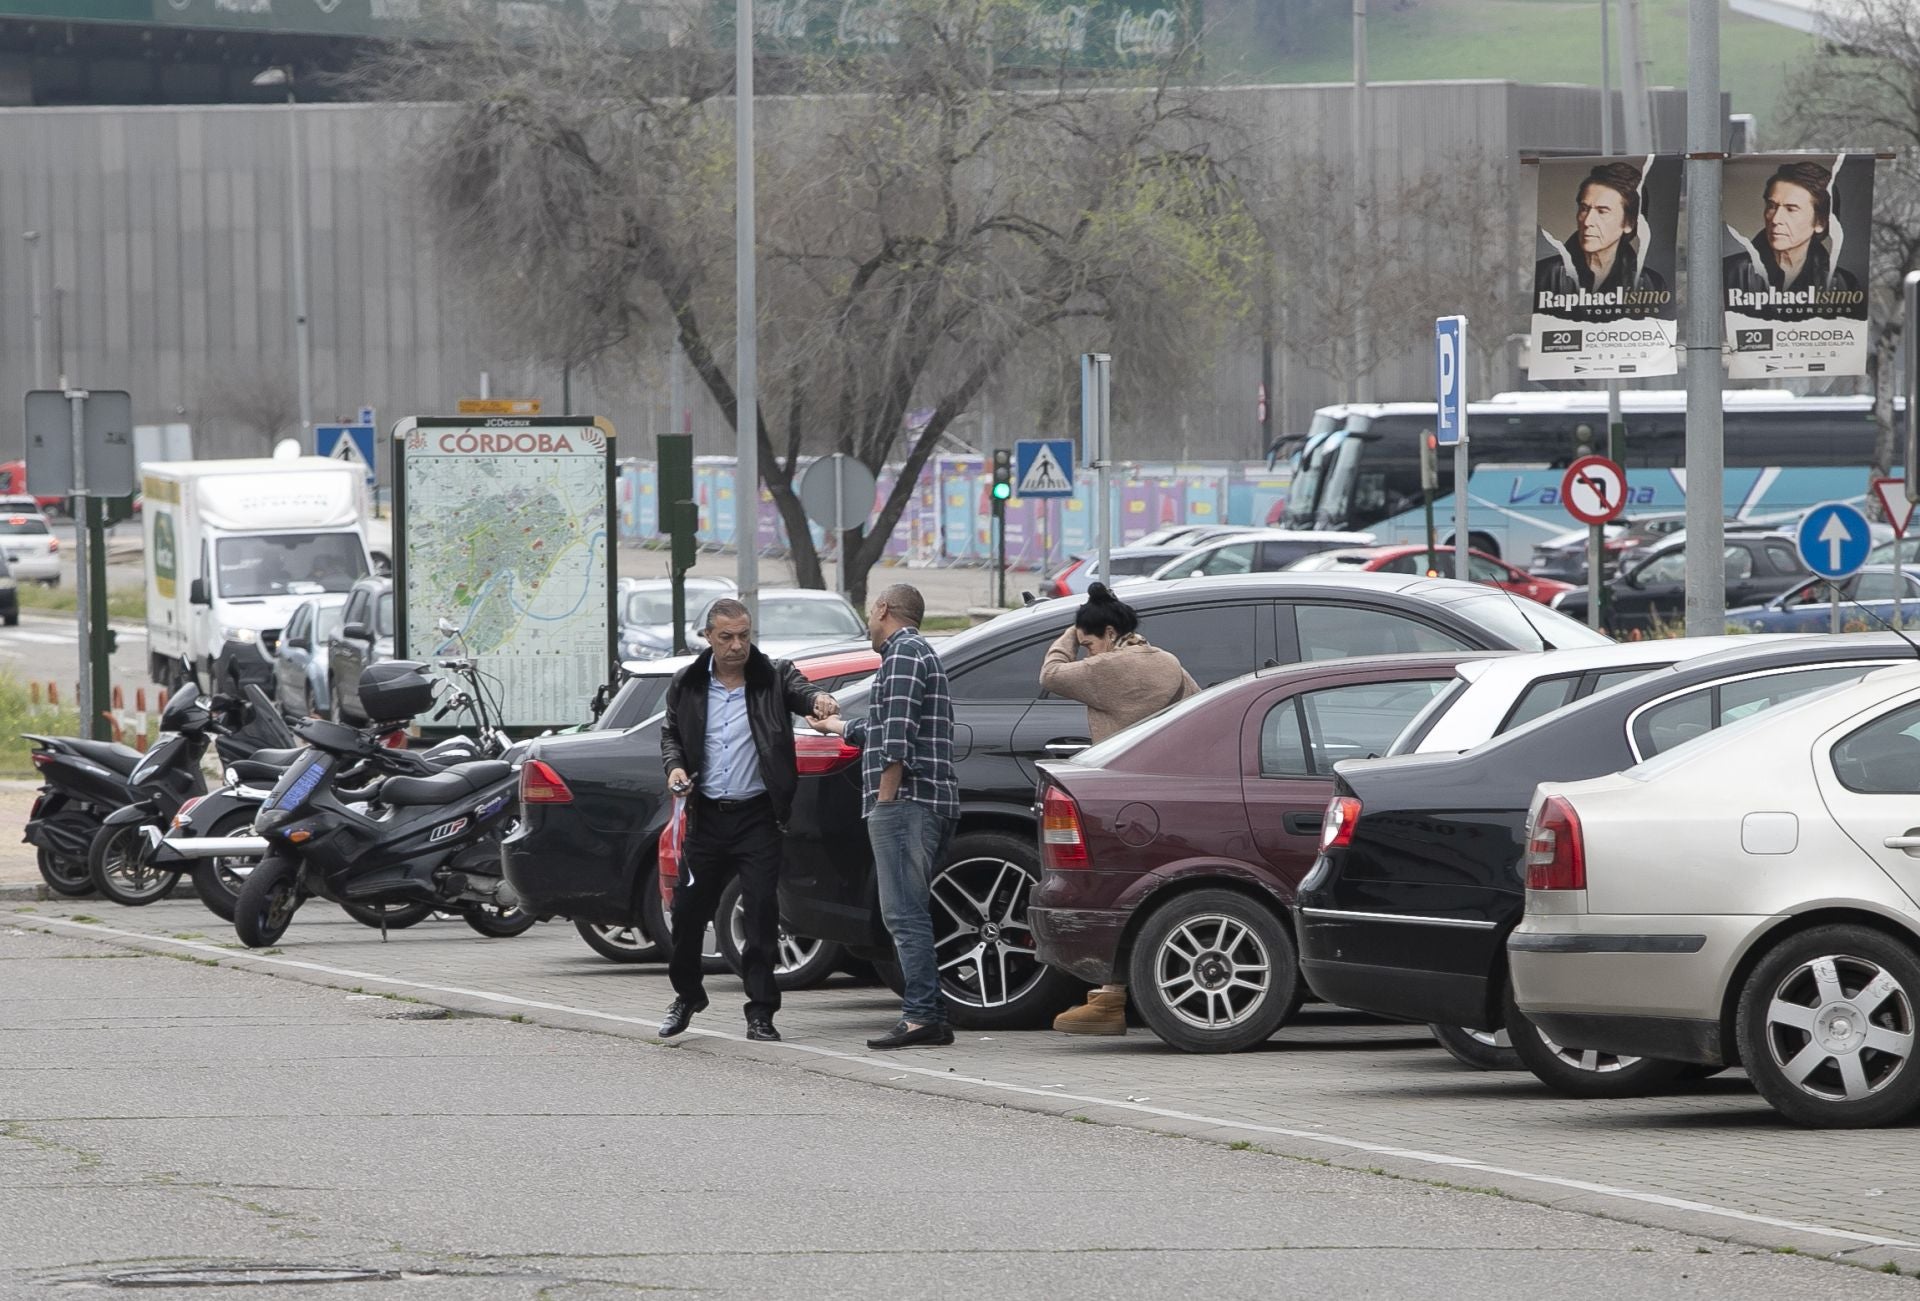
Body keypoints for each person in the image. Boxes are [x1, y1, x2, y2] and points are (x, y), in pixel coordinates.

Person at [658, 598, 839, 1043]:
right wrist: (675, 768)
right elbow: (672, 734)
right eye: (726, 637)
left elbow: (804, 693)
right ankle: (687, 995)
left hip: (757, 817)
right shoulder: (688, 683)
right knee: (686, 914)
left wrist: (819, 700)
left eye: (744, 635)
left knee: (760, 914)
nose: (737, 645)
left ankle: (761, 1011)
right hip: (706, 819)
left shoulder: (773, 676)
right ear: (708, 637)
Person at [1040, 583, 1200, 1036]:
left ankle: (1110, 999)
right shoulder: (1166, 661)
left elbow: (1051, 675)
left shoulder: (1107, 667)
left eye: (1090, 643)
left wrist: (1069, 635)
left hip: (1126, 795)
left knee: (1114, 891)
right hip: (1175, 790)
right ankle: (1116, 996)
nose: (1086, 652)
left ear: (1108, 633)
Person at [808, 583, 958, 1050]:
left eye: (872, 613)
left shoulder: (902, 654)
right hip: (924, 802)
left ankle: (921, 1017)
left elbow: (894, 743)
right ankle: (929, 1014)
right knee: (910, 912)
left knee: (904, 915)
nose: (870, 624)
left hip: (906, 804)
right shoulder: (918, 653)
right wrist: (836, 726)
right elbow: (884, 726)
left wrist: (885, 803)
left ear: (883, 609)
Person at [1723, 159, 1860, 299]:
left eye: (1791, 209)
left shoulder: (1843, 284)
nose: (1776, 219)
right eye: (1772, 206)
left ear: (1821, 223)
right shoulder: (1729, 272)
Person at [1533, 160, 1666, 300]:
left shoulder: (1651, 284)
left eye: (1602, 211)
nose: (1587, 221)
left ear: (1629, 223)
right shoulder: (1543, 275)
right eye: (1584, 209)